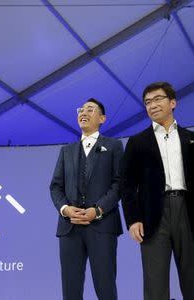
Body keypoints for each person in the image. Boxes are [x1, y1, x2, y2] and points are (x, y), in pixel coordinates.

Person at [120, 82, 194, 300]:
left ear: (173, 102)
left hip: (189, 213)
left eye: (158, 99)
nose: (152, 105)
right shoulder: (137, 142)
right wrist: (133, 219)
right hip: (153, 216)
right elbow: (127, 183)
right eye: (147, 102)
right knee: (155, 284)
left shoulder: (193, 139)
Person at [50, 98, 123, 300]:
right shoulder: (66, 151)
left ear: (102, 118)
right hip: (69, 227)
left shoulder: (114, 146)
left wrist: (97, 210)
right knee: (71, 291)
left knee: (105, 288)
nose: (83, 112)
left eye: (90, 109)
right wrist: (65, 208)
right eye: (81, 109)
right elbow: (55, 186)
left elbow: (119, 184)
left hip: (102, 226)